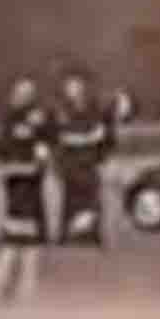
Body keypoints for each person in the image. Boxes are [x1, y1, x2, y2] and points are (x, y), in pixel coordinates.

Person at [50, 72, 115, 245]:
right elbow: (59, 137)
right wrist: (87, 138)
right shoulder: (60, 110)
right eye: (70, 86)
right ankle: (66, 234)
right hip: (69, 162)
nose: (74, 90)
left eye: (77, 86)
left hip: (89, 161)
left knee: (92, 198)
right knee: (70, 198)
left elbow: (104, 134)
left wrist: (99, 148)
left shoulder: (94, 109)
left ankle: (91, 234)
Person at [0, 78, 50, 245]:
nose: (21, 97)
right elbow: (1, 142)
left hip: (31, 163)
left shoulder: (39, 115)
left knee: (32, 198)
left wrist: (41, 156)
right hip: (13, 163)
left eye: (27, 94)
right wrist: (4, 157)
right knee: (14, 198)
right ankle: (14, 232)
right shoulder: (8, 116)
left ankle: (36, 232)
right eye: (19, 93)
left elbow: (45, 138)